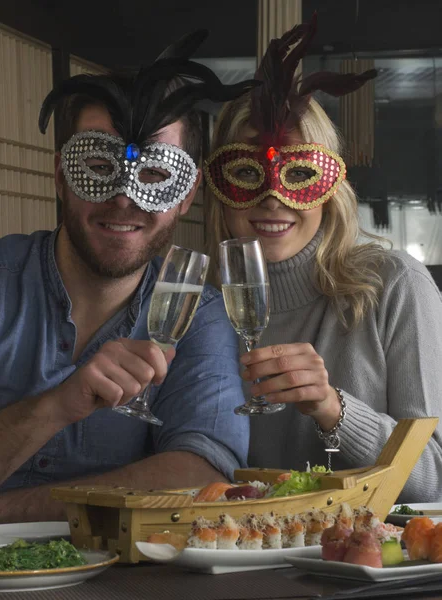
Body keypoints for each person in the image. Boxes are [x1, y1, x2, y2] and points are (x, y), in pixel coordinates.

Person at [0, 31, 258, 523]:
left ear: (187, 194)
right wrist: (55, 407)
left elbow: (202, 474)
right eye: (98, 166)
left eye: (157, 176)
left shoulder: (198, 314)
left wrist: (12, 511)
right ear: (60, 175)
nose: (124, 197)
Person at [205, 17, 442, 502]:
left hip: (358, 565)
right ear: (218, 189)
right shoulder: (199, 303)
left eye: (297, 174)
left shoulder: (395, 287)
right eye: (248, 173)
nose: (273, 199)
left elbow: (436, 480)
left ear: (330, 189)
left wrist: (335, 409)